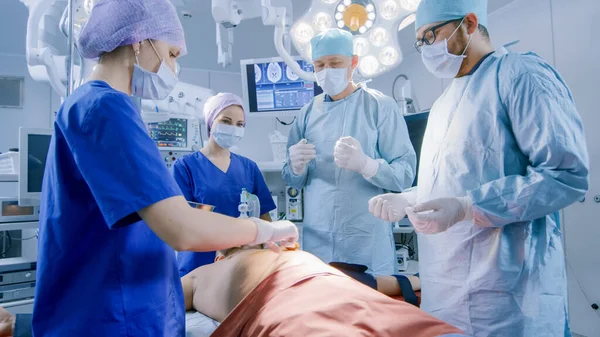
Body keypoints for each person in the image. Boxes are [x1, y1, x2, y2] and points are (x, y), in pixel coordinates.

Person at [33, 1, 297, 336]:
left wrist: (230, 233)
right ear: (139, 40)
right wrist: (268, 232)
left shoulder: (93, 106)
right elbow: (180, 228)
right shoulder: (105, 107)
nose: (174, 67)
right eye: (172, 54)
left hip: (127, 306)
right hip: (110, 317)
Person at [368, 0, 589, 336]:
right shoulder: (444, 103)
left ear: (469, 23)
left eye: (431, 36)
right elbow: (457, 178)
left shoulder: (521, 76)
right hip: (447, 290)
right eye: (420, 42)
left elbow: (566, 175)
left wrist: (469, 207)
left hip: (508, 294)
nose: (426, 49)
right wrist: (411, 198)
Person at [282, 28, 417, 275]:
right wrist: (295, 167)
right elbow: (293, 181)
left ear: (353, 63)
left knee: (372, 306)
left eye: (335, 63)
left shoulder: (379, 106)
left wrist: (368, 165)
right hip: (318, 238)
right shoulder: (307, 113)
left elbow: (405, 174)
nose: (326, 71)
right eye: (319, 65)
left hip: (366, 239)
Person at [181, 245, 466, 337]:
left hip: (321, 279)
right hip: (279, 296)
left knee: (408, 323)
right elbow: (165, 301)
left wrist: (415, 280)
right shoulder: (201, 272)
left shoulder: (273, 250)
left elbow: (370, 282)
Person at [171, 92, 277, 276]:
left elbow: (264, 220)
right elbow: (182, 223)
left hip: (244, 265)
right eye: (226, 121)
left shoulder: (249, 167)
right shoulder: (185, 167)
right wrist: (223, 241)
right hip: (199, 267)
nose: (233, 128)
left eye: (240, 125)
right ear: (211, 122)